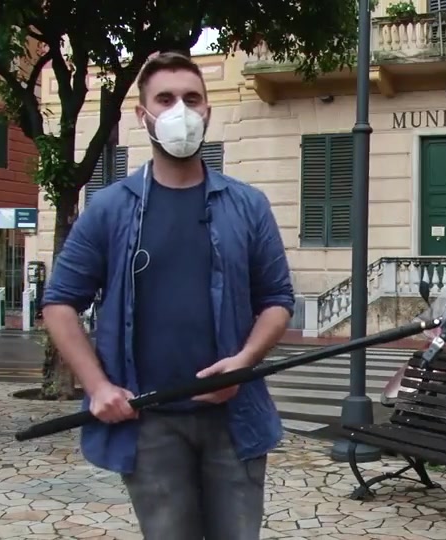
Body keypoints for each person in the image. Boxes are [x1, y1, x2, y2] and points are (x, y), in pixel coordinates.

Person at [41, 52, 295, 540]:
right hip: (150, 422)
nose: (181, 109)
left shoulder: (248, 205)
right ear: (143, 115)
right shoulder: (110, 209)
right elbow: (59, 303)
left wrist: (244, 360)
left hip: (233, 419)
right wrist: (97, 387)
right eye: (166, 98)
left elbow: (278, 300)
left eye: (192, 98)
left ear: (207, 112)